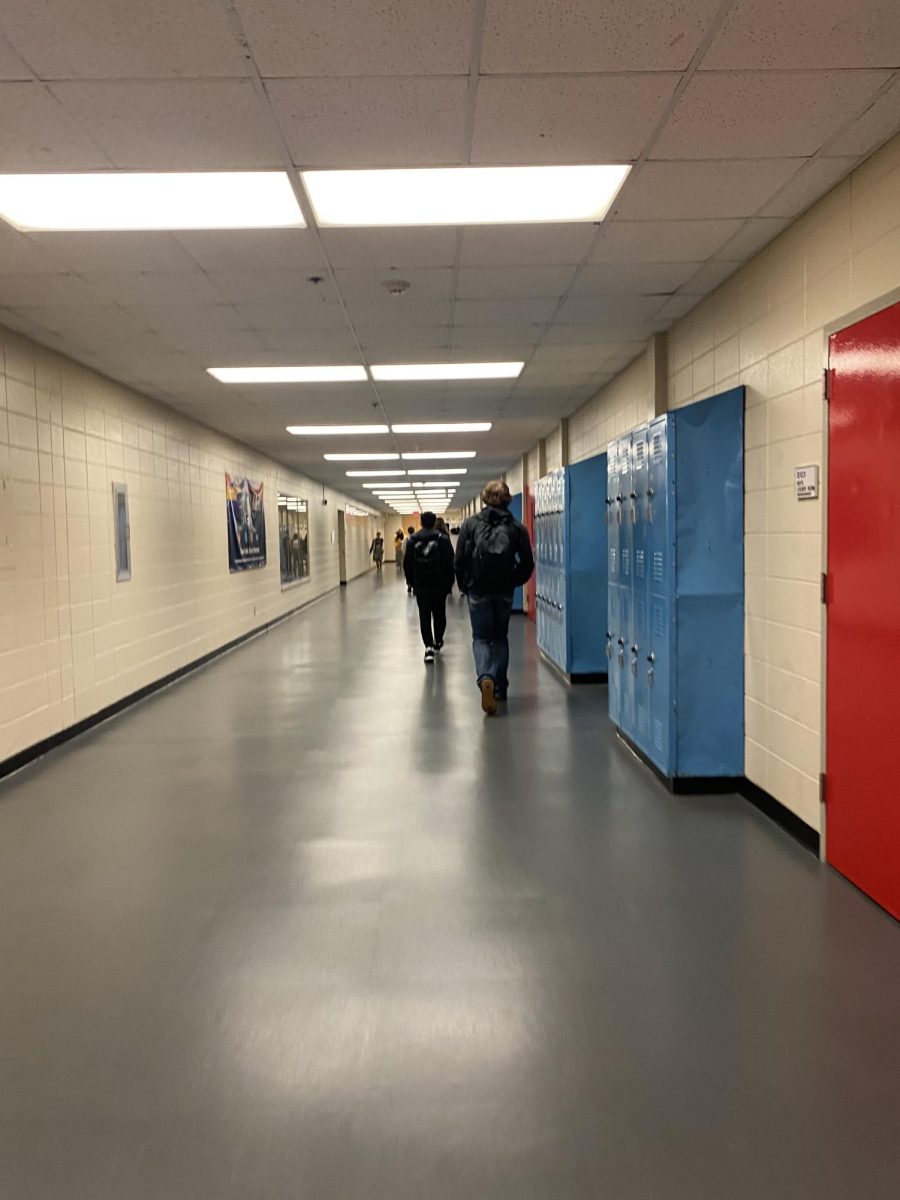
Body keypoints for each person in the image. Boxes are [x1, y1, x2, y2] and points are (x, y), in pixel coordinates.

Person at [454, 481, 534, 715]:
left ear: (484, 499)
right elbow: (528, 563)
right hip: (503, 590)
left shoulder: (470, 525)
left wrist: (465, 586)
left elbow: (459, 561)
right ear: (508, 499)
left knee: (480, 638)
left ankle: (485, 676)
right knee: (500, 637)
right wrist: (513, 580)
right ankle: (499, 687)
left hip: (478, 589)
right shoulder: (517, 528)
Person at [404, 511, 455, 665]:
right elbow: (450, 562)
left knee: (424, 615)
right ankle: (438, 640)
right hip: (439, 585)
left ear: (421, 523)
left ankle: (428, 647)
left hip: (421, 585)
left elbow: (407, 564)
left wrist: (411, 582)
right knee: (439, 614)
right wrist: (449, 583)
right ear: (434, 523)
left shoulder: (412, 540)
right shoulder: (443, 540)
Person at [404, 525, 415, 594]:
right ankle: (414, 587)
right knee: (414, 572)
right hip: (415, 558)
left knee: (407, 572)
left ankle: (409, 585)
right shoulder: (416, 538)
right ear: (414, 531)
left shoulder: (406, 539)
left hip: (407, 558)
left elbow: (403, 549)